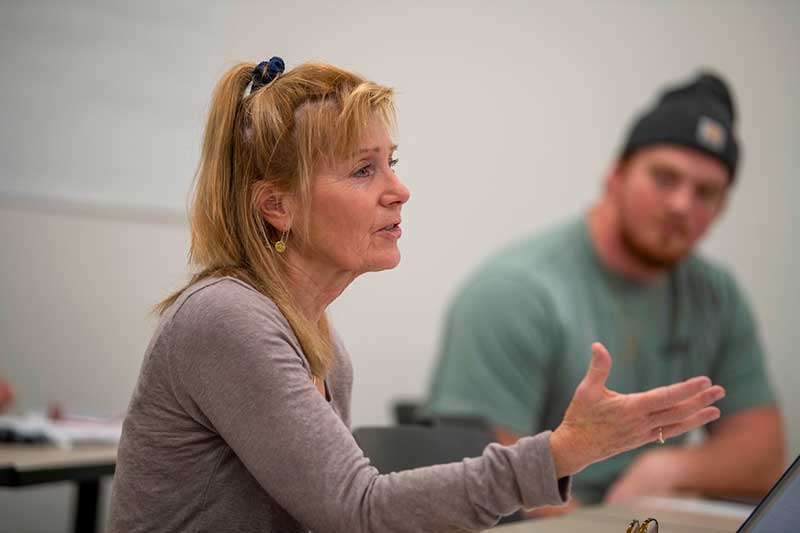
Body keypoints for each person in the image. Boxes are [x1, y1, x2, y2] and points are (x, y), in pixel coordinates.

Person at [108, 58, 725, 532]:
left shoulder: (322, 344)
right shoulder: (226, 318)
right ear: (278, 206)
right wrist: (562, 452)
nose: (398, 189)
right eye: (363, 169)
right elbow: (358, 511)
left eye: (391, 162)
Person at [425, 71, 785, 510]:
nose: (681, 205)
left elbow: (765, 455)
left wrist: (669, 470)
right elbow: (482, 477)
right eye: (664, 178)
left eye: (705, 192)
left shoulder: (716, 296)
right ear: (616, 175)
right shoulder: (514, 292)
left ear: (721, 208)